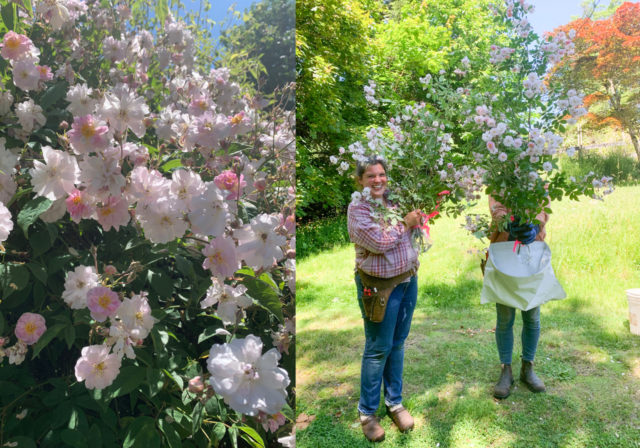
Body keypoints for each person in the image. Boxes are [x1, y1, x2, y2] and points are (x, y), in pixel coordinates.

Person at [347, 157, 421, 442]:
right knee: (378, 347)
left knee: (398, 343)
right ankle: (367, 412)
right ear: (360, 181)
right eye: (370, 176)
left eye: (381, 175)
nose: (378, 180)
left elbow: (409, 232)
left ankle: (394, 402)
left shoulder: (394, 201)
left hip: (407, 281)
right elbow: (378, 242)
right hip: (379, 288)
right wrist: (406, 222)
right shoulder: (358, 209)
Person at [488, 196, 549, 399]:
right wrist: (510, 225)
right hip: (504, 248)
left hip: (532, 250)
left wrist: (534, 224)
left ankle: (527, 368)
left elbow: (543, 204)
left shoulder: (538, 169)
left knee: (532, 316)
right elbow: (496, 207)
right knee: (505, 318)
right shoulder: (500, 170)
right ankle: (506, 370)